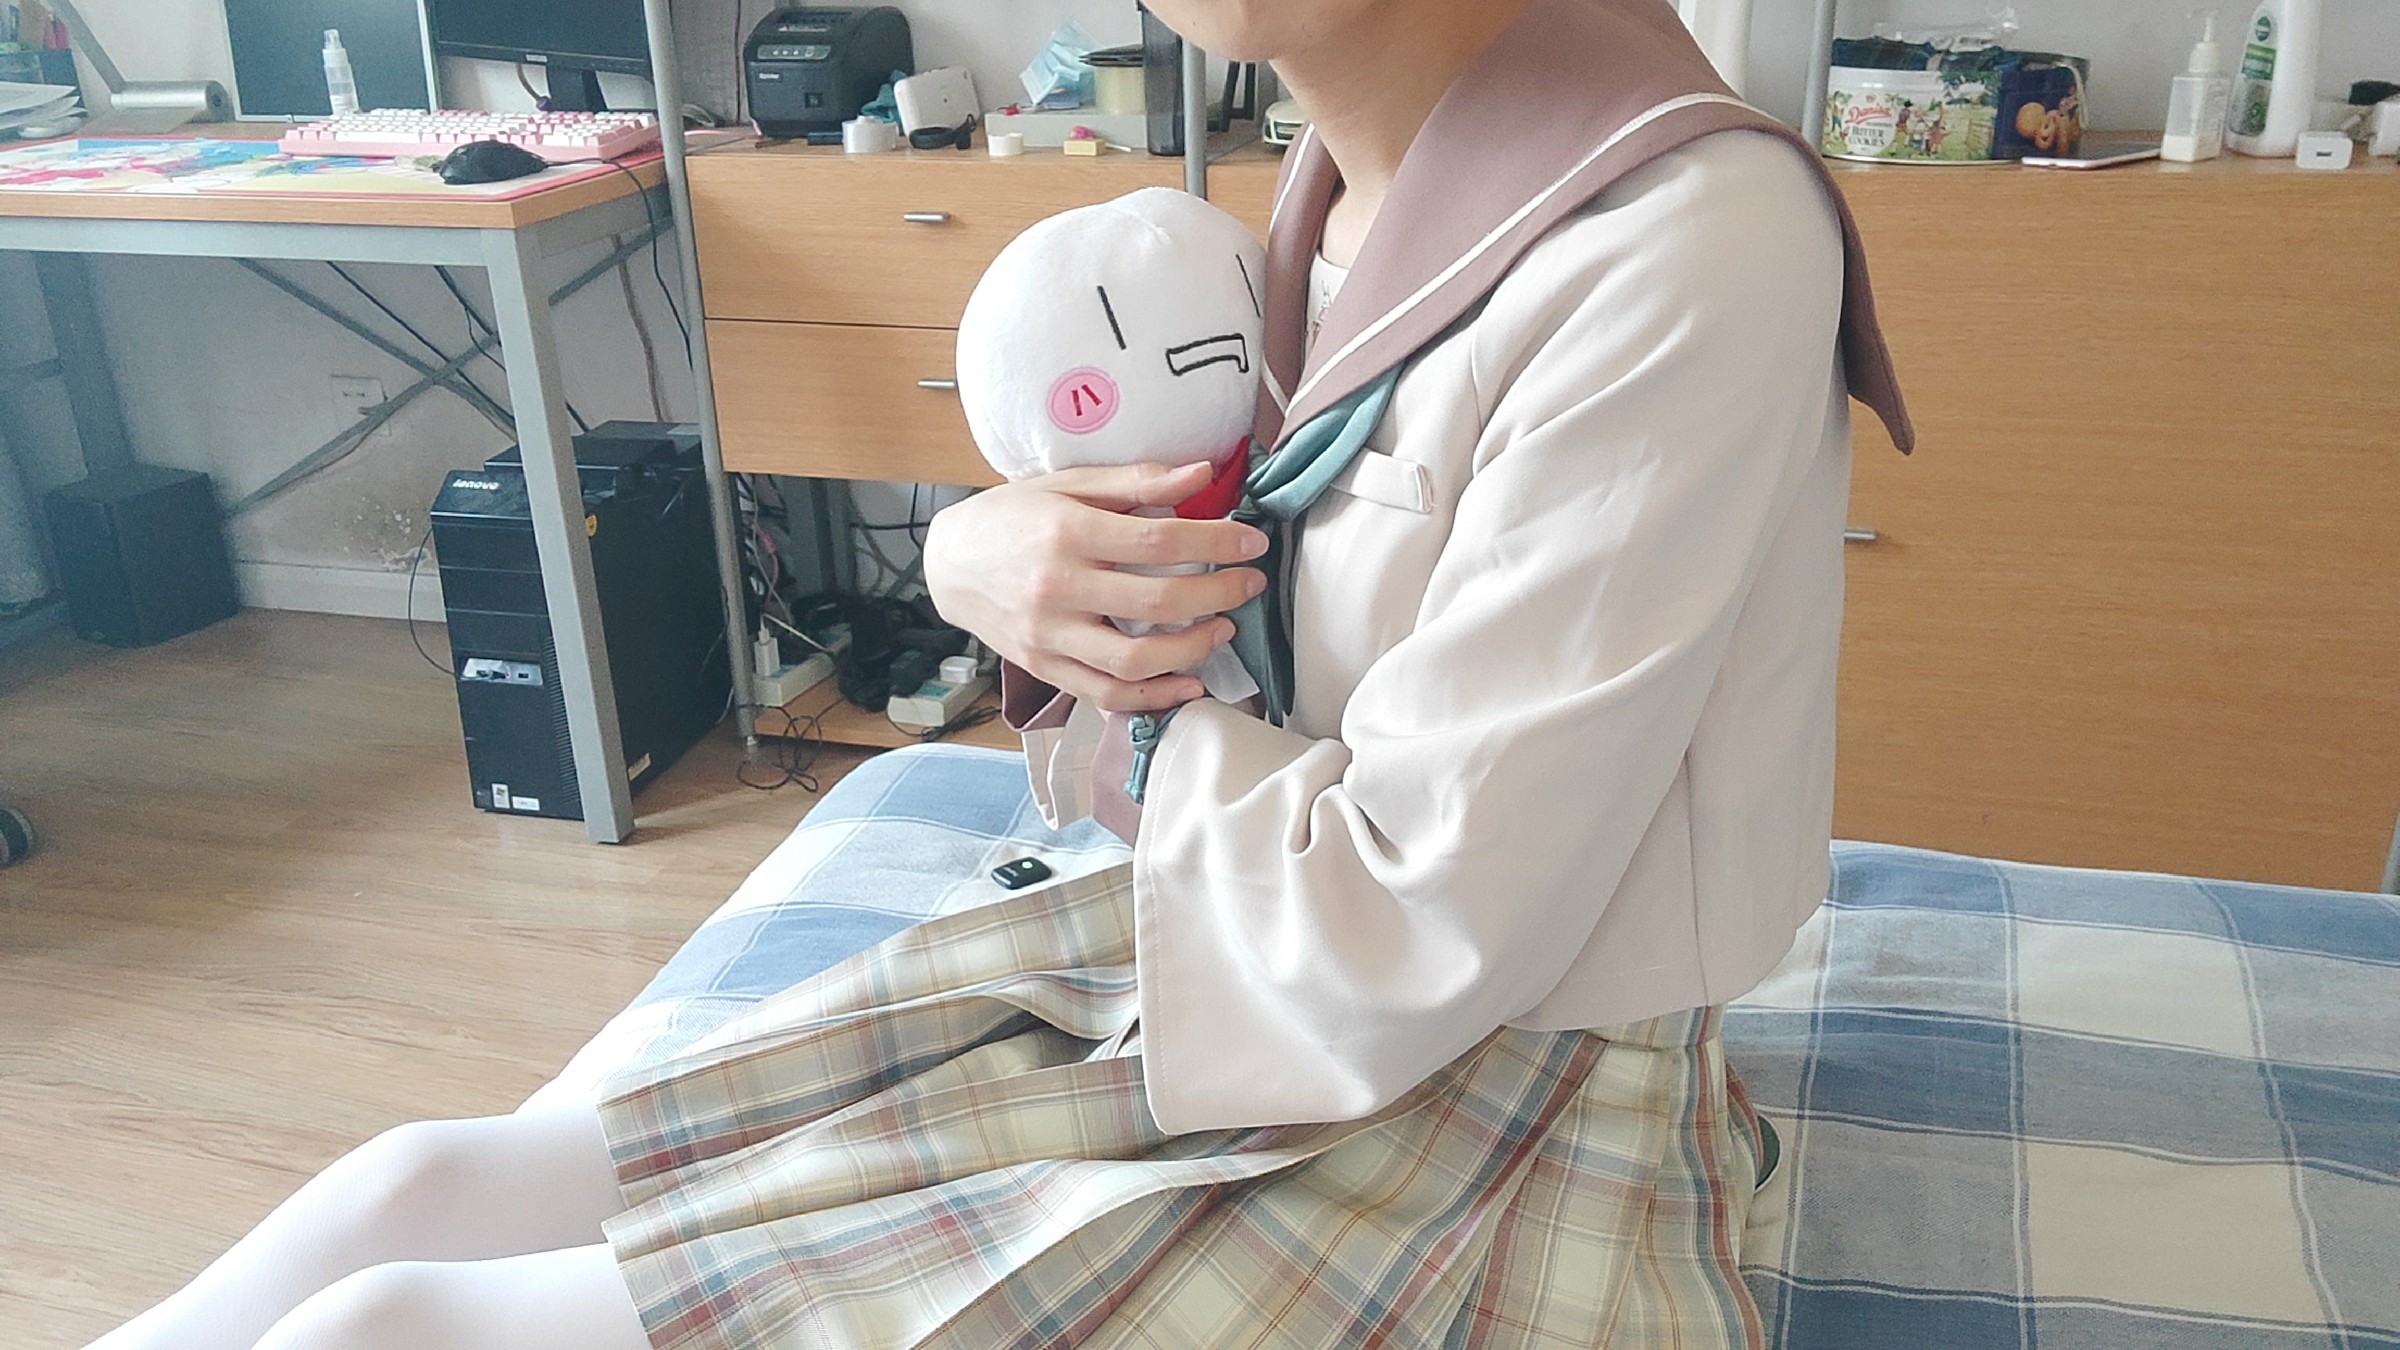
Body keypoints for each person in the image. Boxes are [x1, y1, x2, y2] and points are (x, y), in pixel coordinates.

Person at [86, 0, 1909, 1346]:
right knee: (406, 1189)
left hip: (1491, 1100)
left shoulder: (1685, 237)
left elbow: (1409, 913)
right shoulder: (1332, 191)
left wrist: (1105, 689)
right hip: (1237, 955)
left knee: (392, 1320)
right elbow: (1228, 646)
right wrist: (986, 560)